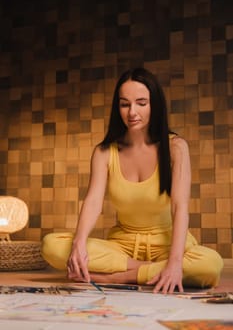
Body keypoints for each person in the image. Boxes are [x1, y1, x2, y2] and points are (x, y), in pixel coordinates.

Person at [42, 67, 223, 294]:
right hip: (121, 249)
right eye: (125, 104)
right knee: (53, 246)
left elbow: (180, 207)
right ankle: (152, 271)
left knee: (210, 264)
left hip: (168, 245)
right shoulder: (105, 152)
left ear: (154, 104)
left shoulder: (176, 147)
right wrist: (79, 243)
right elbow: (93, 201)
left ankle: (119, 278)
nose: (132, 112)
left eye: (141, 103)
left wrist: (176, 262)